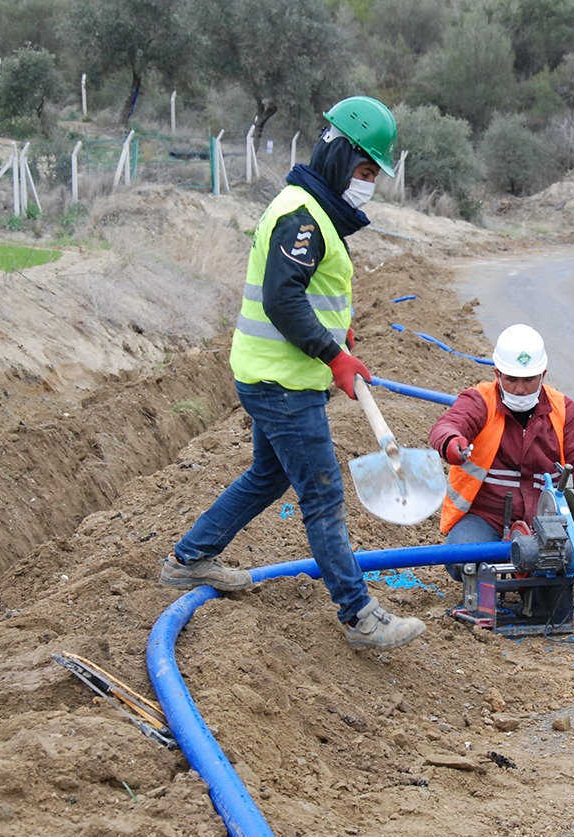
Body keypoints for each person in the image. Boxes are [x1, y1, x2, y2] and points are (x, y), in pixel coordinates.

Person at [159, 96, 425, 652]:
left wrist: (337, 335)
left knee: (268, 476)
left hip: (273, 375)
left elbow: (306, 293)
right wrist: (334, 357)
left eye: (374, 174)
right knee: (322, 492)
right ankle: (358, 614)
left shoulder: (311, 208)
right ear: (340, 155)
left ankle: (190, 557)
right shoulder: (303, 214)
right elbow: (282, 299)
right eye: (364, 170)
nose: (367, 184)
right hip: (282, 384)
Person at [429, 324, 574, 577]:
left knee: (561, 561)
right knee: (462, 560)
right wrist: (449, 441)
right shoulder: (480, 401)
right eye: (511, 379)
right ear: (497, 373)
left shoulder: (563, 410)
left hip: (545, 521)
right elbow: (448, 424)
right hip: (485, 516)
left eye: (529, 379)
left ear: (543, 375)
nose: (520, 388)